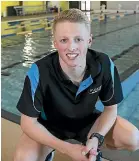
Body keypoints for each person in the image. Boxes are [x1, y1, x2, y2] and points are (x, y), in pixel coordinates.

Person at [14, 9, 139, 161]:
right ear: (55, 43)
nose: (71, 47)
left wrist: (96, 137)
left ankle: (91, 148)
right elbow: (28, 123)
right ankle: (49, 149)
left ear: (89, 41)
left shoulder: (104, 64)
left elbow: (111, 109)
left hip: (87, 122)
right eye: (64, 40)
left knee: (133, 138)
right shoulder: (39, 71)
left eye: (78, 39)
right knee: (23, 158)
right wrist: (66, 148)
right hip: (50, 125)